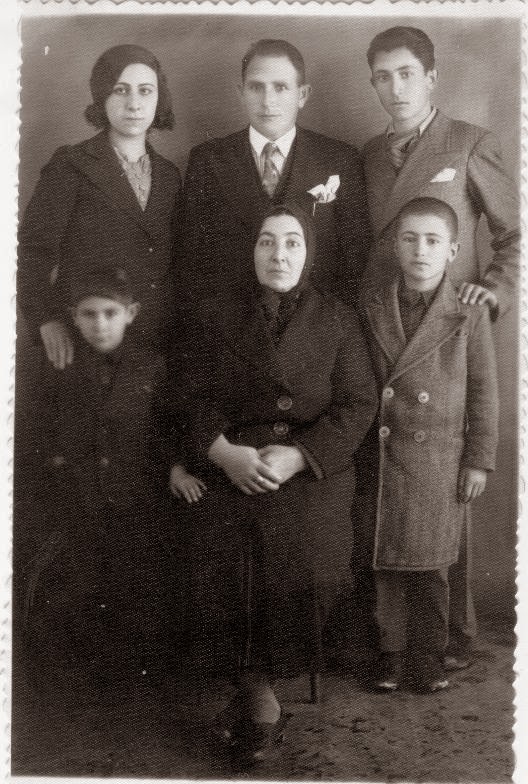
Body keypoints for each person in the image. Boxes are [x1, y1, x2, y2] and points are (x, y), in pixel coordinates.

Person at [170, 203, 377, 763]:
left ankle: (261, 686)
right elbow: (188, 396)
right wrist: (222, 452)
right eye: (266, 241)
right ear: (251, 250)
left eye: (292, 243)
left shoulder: (337, 318)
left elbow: (358, 403)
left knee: (308, 555)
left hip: (308, 468)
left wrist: (301, 456)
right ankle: (253, 688)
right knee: (221, 550)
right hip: (231, 459)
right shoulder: (215, 316)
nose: (278, 255)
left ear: (309, 253)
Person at [359, 26, 518, 668]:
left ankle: (449, 635)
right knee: (383, 500)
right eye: (382, 76)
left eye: (406, 74)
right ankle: (390, 640)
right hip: (381, 326)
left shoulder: (469, 142)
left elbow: (515, 236)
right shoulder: (370, 154)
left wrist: (491, 292)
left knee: (443, 496)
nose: (395, 88)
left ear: (431, 78)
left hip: (447, 332)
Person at [360, 197, 498, 692]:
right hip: (384, 450)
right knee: (385, 562)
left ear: (452, 250)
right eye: (410, 239)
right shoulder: (372, 303)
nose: (421, 250)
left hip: (440, 456)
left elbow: (483, 390)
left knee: (434, 564)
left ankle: (429, 654)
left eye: (433, 241)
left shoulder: (468, 310)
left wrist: (478, 460)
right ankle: (390, 653)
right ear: (395, 247)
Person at [20, 267, 174, 688]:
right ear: (73, 316)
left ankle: (133, 672)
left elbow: (166, 430)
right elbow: (37, 434)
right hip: (75, 498)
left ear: (131, 313)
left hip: (136, 497)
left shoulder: (151, 366)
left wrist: (171, 468)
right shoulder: (58, 365)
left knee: (137, 580)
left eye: (110, 313)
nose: (100, 324)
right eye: (88, 314)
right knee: (75, 581)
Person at [18, 44, 181, 367]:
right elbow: (32, 251)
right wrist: (45, 319)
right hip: (85, 340)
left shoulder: (168, 174)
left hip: (153, 344)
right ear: (102, 96)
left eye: (145, 91)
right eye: (121, 90)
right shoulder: (71, 165)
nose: (134, 104)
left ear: (158, 98)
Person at [180, 39, 370, 307]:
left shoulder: (339, 159)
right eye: (256, 87)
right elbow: (193, 259)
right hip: (232, 318)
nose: (268, 101)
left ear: (302, 95)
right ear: (241, 92)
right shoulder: (208, 160)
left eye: (280, 87)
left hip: (314, 318)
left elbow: (354, 258)